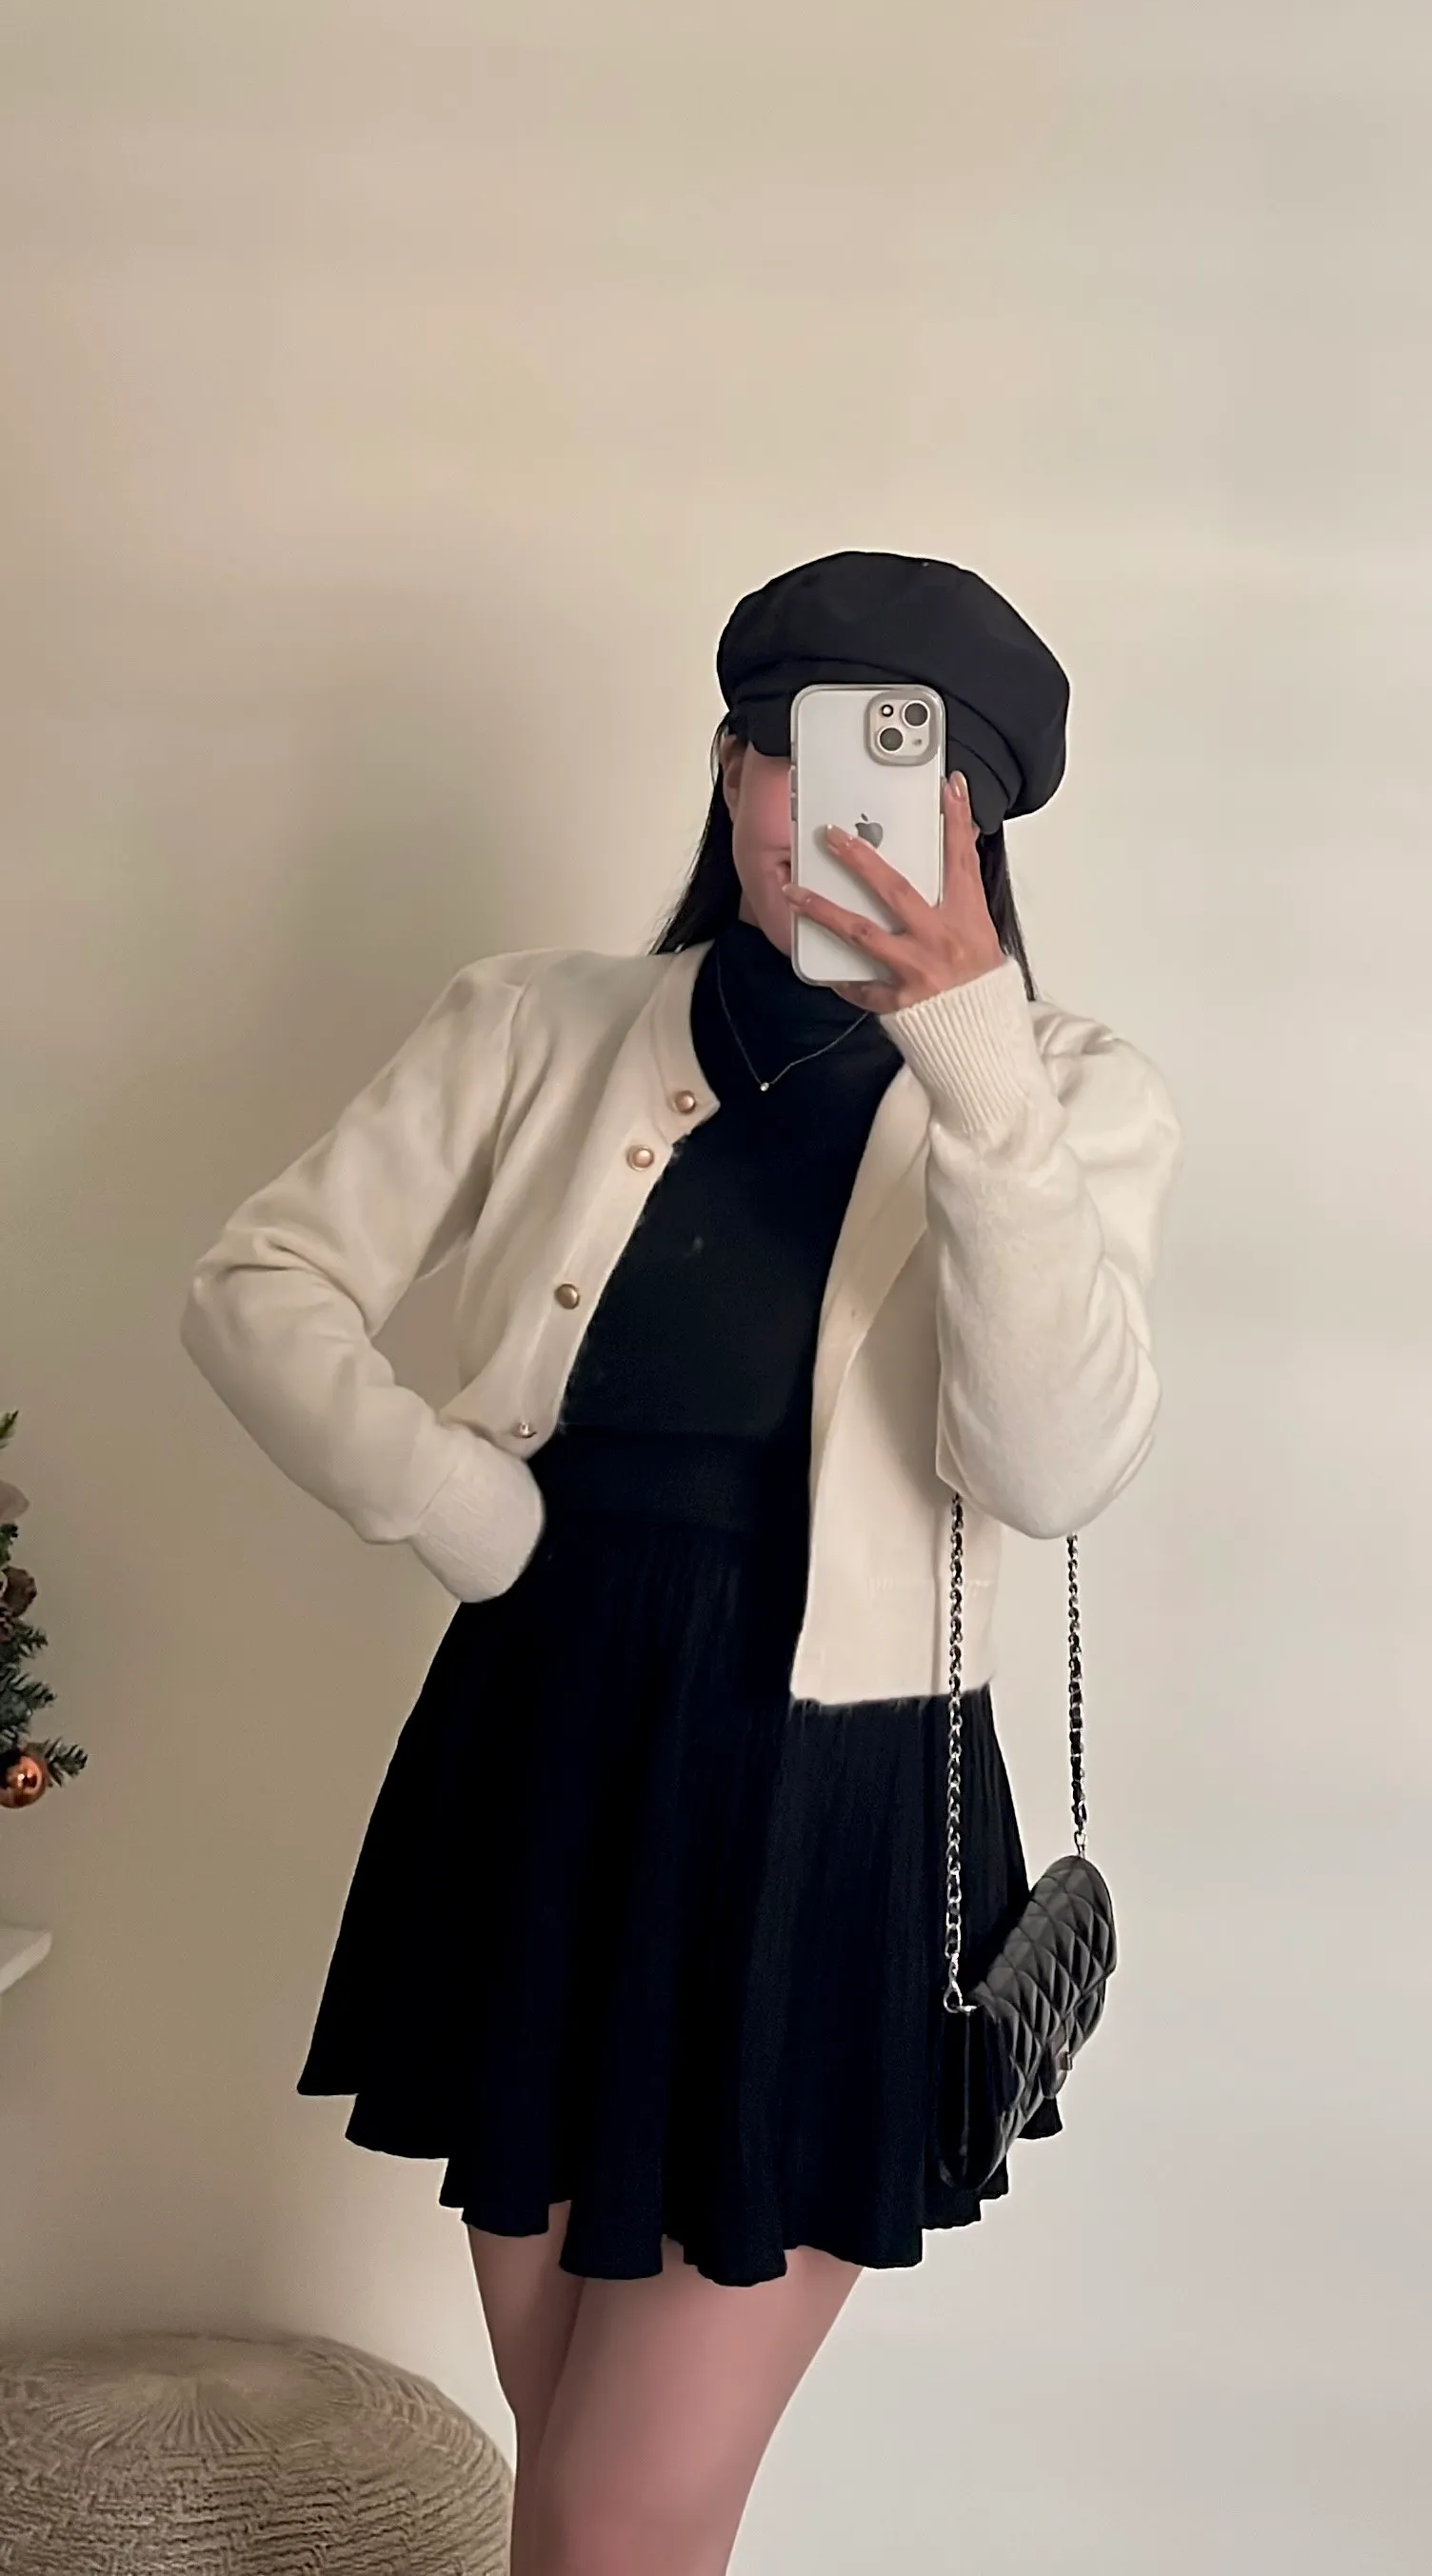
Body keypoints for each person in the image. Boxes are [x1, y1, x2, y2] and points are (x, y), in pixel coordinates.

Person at [180, 548, 1183, 2576]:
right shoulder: (533, 1022)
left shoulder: (1069, 1094)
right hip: (545, 1748)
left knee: (617, 2508)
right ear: (727, 769)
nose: (826, 812)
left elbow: (1053, 1463)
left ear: (976, 828)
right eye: (786, 750)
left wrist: (969, 1051)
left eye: (901, 775)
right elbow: (255, 1283)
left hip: (843, 1807)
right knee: (577, 2468)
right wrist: (456, 1504)